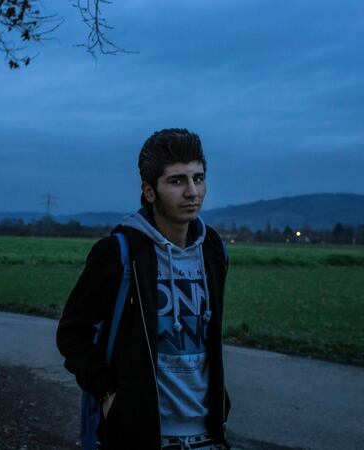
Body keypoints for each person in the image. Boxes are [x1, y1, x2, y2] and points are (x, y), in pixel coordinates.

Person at [56, 128, 231, 450]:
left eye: (198, 178)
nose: (192, 191)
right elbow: (72, 334)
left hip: (207, 435)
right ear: (149, 191)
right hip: (140, 435)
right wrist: (108, 394)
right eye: (177, 181)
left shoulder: (213, 250)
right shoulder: (118, 252)